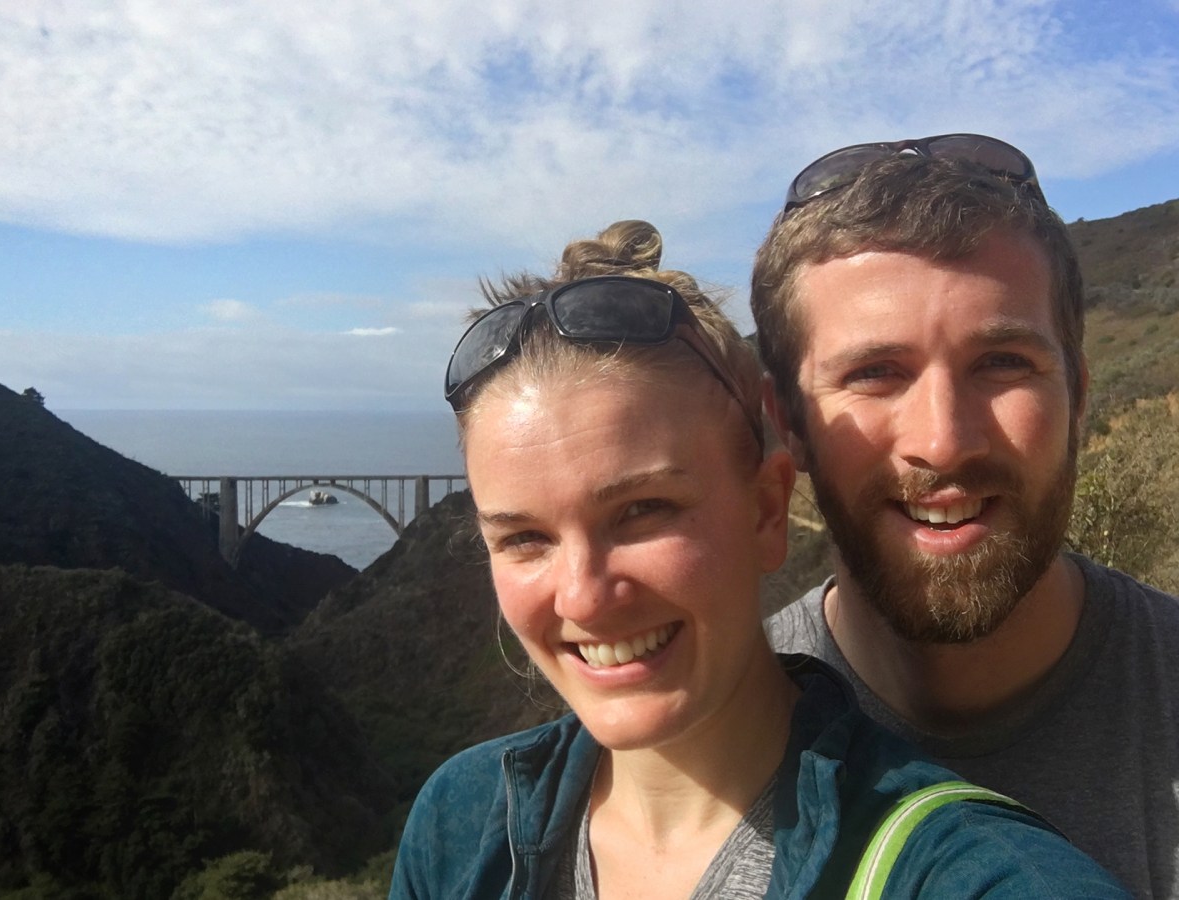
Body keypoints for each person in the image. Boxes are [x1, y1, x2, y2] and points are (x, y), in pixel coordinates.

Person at [389, 219, 1127, 898]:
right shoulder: (463, 822)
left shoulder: (967, 873)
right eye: (524, 539)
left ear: (768, 510)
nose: (582, 597)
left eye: (644, 510)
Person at [751, 133, 1179, 899]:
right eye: (875, 373)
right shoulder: (711, 752)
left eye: (1003, 363)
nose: (945, 440)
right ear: (790, 424)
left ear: (1078, 395)